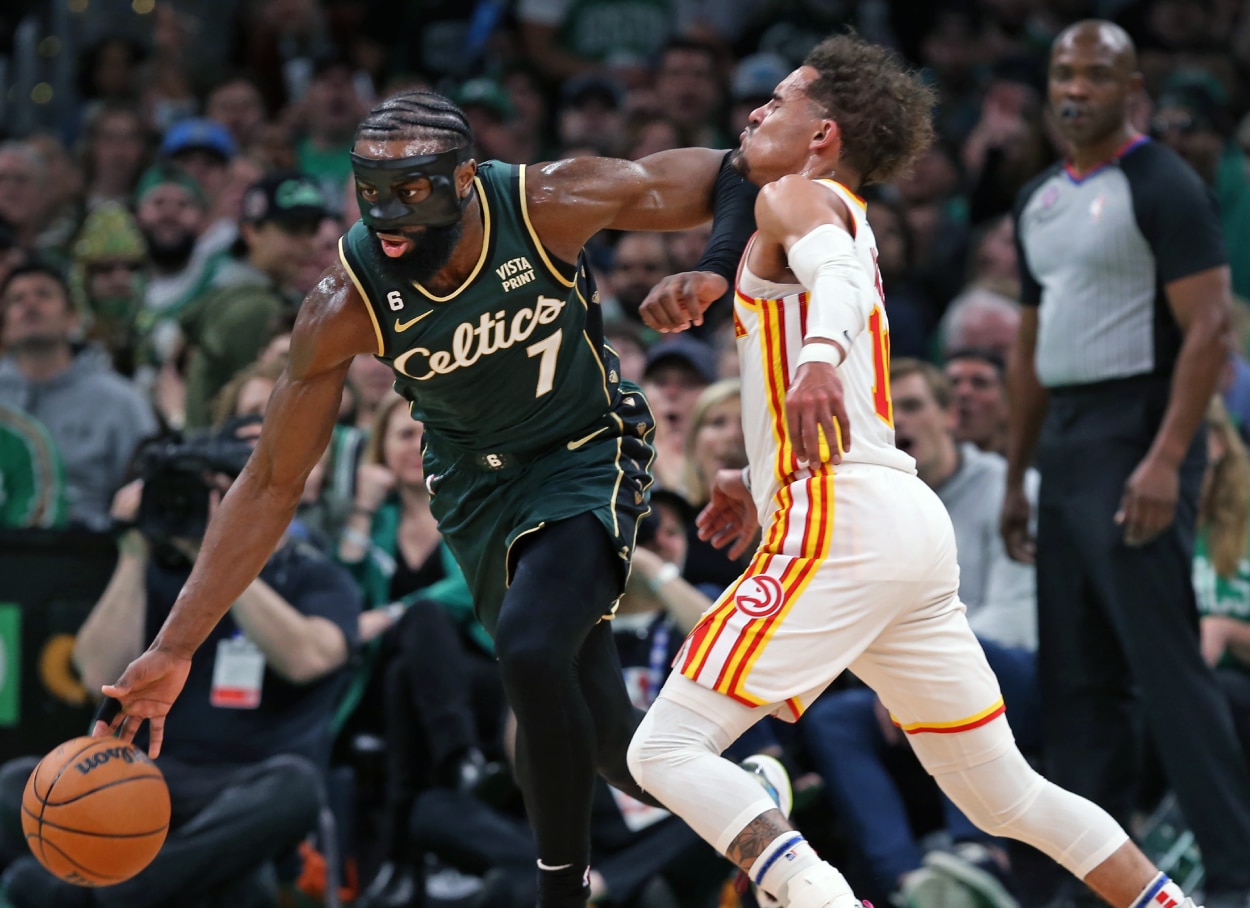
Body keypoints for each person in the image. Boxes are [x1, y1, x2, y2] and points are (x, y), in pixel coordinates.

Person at [92, 88, 742, 908]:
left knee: (532, 649)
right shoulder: (344, 302)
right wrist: (176, 647)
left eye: (415, 191)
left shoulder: (545, 202)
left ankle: (563, 894)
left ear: (466, 178)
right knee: (620, 752)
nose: (389, 216)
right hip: (477, 492)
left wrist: (717, 267)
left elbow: (731, 174)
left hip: (585, 450)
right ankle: (752, 793)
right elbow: (270, 483)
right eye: (370, 192)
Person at [632, 31, 1213, 908]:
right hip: (896, 522)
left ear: (822, 135)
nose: (756, 111)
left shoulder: (796, 198)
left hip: (840, 520)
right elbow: (824, 342)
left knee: (664, 750)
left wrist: (821, 357)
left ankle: (818, 895)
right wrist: (753, 474)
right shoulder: (829, 214)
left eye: (780, 100)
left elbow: (837, 290)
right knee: (1004, 794)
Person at [1001, 20, 1250, 908]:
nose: (1076, 90)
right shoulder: (1038, 197)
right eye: (1063, 73)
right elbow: (1029, 348)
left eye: (1096, 76)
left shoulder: (1164, 183)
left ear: (1131, 88)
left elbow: (1211, 330)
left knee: (1165, 665)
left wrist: (1166, 458)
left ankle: (1234, 876)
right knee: (1078, 683)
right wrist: (1019, 475)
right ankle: (1100, 884)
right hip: (1067, 440)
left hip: (1138, 430)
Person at [0, 419, 361, 908]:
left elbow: (308, 659)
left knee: (296, 790)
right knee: (18, 783)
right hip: (143, 776)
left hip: (245, 784)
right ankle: (156, 880)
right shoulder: (156, 570)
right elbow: (95, 673)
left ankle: (115, 893)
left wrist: (222, 561)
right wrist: (132, 553)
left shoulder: (315, 574)